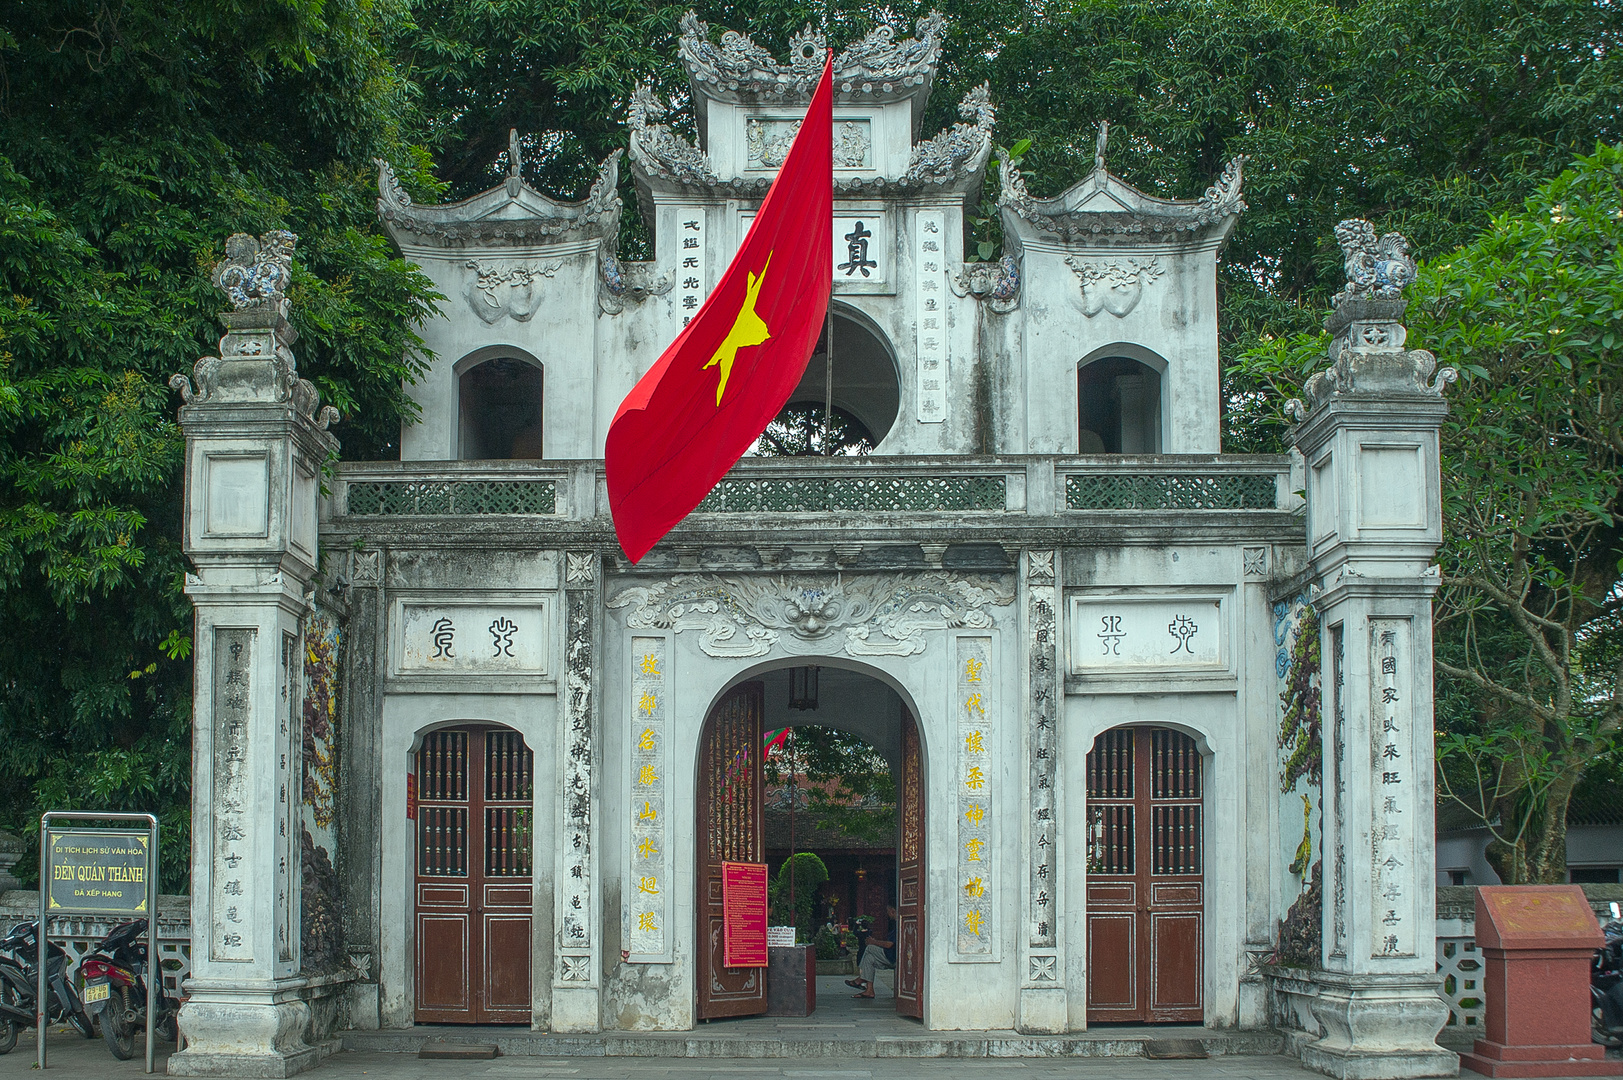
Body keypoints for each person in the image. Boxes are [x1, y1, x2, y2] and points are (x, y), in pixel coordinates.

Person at [845, 902, 896, 998]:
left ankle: (861, 979)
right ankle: (869, 990)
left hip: (893, 957)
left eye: (888, 911)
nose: (887, 913)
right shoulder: (894, 925)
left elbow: (889, 944)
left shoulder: (899, 925)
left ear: (892, 911)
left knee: (869, 948)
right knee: (869, 958)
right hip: (889, 955)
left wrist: (874, 942)